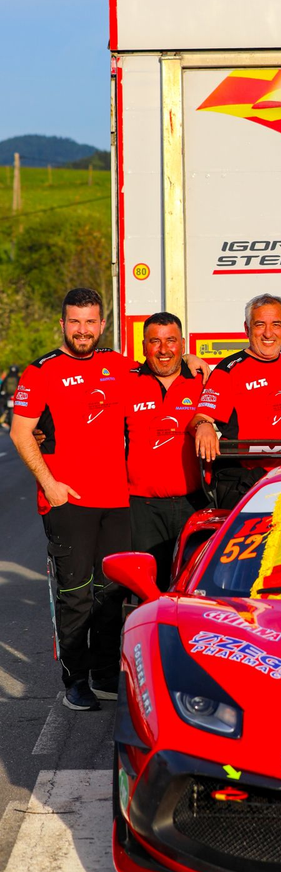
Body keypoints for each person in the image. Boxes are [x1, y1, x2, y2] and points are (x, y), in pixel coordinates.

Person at [10, 289, 133, 711]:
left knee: (111, 592)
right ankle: (76, 682)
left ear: (102, 324)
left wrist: (193, 361)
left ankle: (104, 674)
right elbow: (20, 433)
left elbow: (160, 373)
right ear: (63, 324)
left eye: (90, 321)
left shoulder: (118, 364)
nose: (83, 330)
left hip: (117, 500)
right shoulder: (41, 371)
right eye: (75, 322)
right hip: (69, 502)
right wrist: (50, 485)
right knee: (76, 593)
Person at [190, 294, 281, 507]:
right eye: (259, 324)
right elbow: (200, 417)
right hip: (250, 483)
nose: (268, 333)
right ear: (247, 328)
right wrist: (203, 425)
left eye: (276, 324)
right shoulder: (229, 369)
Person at [125, 312, 206, 589]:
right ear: (144, 346)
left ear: (182, 344)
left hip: (194, 505)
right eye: (155, 341)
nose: (163, 349)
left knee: (194, 587)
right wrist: (43, 430)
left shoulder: (203, 380)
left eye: (171, 341)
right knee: (149, 589)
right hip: (142, 510)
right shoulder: (127, 382)